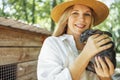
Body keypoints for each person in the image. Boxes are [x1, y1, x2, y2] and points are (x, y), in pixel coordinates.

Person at [37, 0, 115, 80]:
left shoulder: (99, 45)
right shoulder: (53, 43)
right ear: (66, 18)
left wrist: (105, 76)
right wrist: (86, 53)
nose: (81, 19)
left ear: (91, 20)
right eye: (75, 13)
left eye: (87, 14)